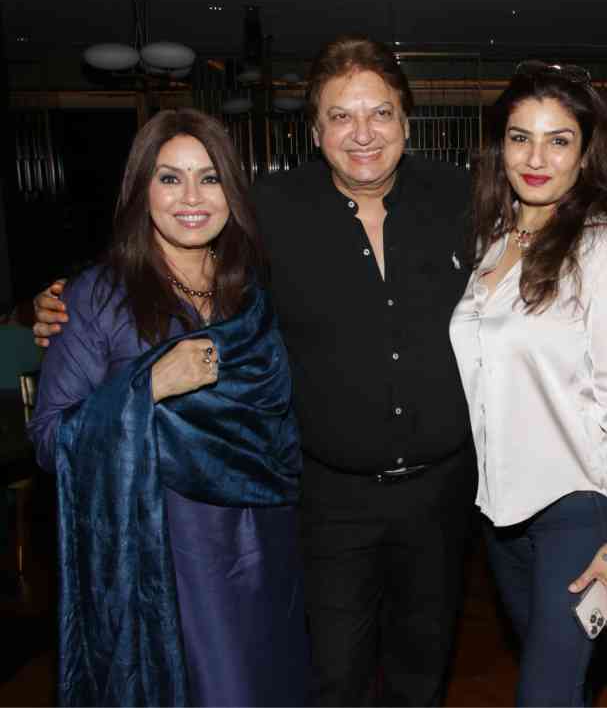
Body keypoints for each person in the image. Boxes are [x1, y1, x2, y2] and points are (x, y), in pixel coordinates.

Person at [33, 36, 477, 707]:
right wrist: (53, 309)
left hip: (430, 496)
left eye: (380, 113)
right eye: (340, 116)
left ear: (407, 121)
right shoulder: (273, 209)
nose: (362, 133)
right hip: (311, 506)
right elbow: (133, 281)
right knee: (329, 677)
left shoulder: (462, 198)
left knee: (420, 671)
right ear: (315, 131)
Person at [26, 108, 308, 706]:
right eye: (170, 178)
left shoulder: (250, 289)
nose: (192, 198)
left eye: (210, 178)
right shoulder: (96, 297)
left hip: (265, 543)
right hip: (165, 554)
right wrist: (145, 387)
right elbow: (50, 439)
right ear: (141, 190)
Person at [448, 60, 607, 706]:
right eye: (521, 137)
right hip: (500, 515)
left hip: (578, 511)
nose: (536, 158)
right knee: (560, 684)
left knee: (544, 695)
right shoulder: (491, 241)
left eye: (558, 140)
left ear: (586, 153)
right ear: (500, 147)